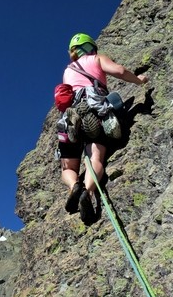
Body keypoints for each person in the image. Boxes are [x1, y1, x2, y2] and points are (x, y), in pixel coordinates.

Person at [60, 33, 149, 225]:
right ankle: (88, 191)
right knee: (95, 157)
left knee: (68, 165)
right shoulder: (96, 59)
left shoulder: (68, 70)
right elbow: (119, 70)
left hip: (68, 117)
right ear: (91, 47)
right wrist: (139, 80)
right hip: (94, 109)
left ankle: (74, 185)